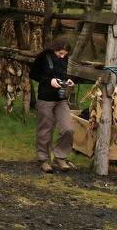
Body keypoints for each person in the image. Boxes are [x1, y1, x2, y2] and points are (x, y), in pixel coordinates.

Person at [30, 38, 75, 173]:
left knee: (68, 129)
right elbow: (33, 74)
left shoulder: (64, 58)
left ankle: (60, 156)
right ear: (54, 49)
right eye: (60, 53)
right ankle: (43, 159)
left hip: (61, 99)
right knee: (45, 130)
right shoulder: (43, 57)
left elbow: (62, 74)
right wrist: (49, 81)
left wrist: (68, 81)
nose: (62, 56)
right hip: (45, 98)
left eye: (65, 54)